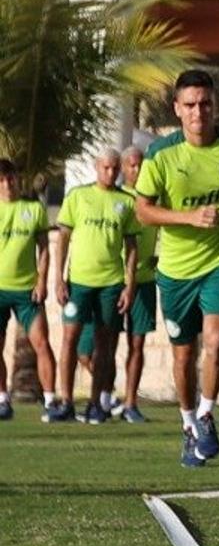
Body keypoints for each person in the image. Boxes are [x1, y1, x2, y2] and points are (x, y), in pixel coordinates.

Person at [134, 72, 219, 468]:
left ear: (215, 104)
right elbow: (143, 210)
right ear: (177, 109)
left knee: (217, 339)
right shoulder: (161, 154)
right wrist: (188, 216)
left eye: (205, 103)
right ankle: (188, 424)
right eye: (189, 105)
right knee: (184, 355)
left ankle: (206, 414)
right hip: (174, 271)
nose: (198, 112)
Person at [51, 150, 138, 425]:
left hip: (110, 283)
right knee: (70, 339)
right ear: (96, 167)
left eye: (115, 169)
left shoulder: (126, 201)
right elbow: (63, 238)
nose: (111, 174)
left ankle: (95, 402)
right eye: (106, 168)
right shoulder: (77, 196)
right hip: (79, 281)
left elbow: (132, 247)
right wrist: (59, 278)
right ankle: (65, 401)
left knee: (105, 344)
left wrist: (129, 284)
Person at [0, 159, 56, 423]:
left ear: (17, 180)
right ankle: (2, 400)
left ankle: (52, 401)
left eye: (10, 178)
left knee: (42, 343)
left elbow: (44, 248)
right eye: (1, 180)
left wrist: (42, 280)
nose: (7, 184)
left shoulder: (33, 210)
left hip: (27, 291)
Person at [114, 142, 159, 423]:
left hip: (144, 280)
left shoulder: (154, 198)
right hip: (114, 281)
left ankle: (130, 402)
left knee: (137, 343)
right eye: (131, 164)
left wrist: (159, 257)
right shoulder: (118, 198)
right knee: (95, 346)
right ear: (122, 168)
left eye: (140, 163)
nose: (137, 168)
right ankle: (106, 395)